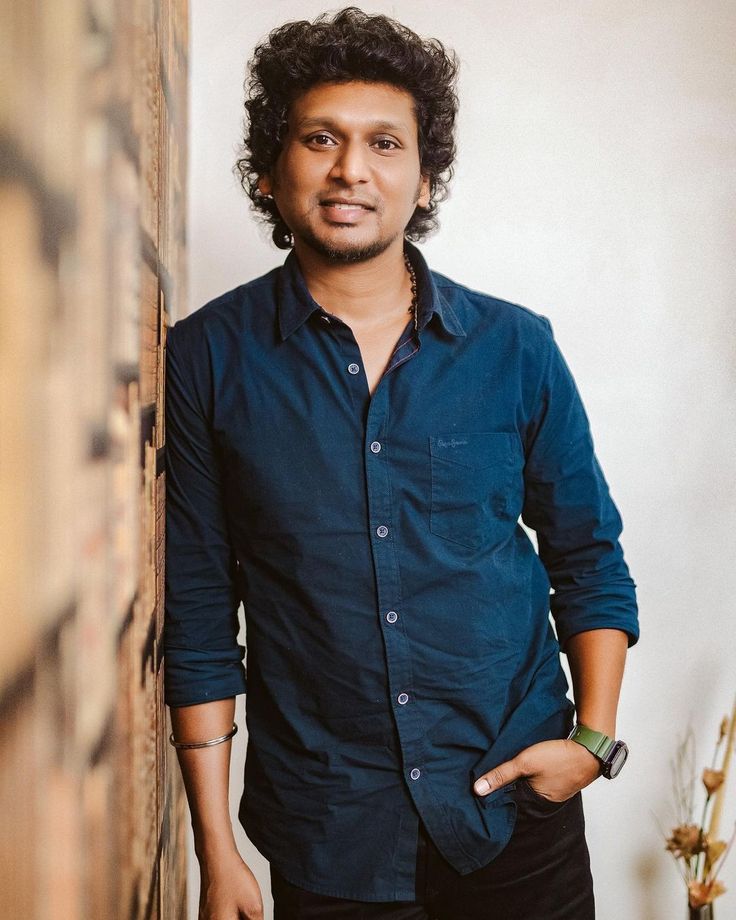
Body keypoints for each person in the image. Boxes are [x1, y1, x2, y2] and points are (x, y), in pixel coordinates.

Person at [163, 8, 639, 919]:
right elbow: (195, 611)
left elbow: (589, 557)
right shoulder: (207, 359)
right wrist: (215, 851)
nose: (351, 168)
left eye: (386, 143)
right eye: (319, 139)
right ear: (271, 172)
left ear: (424, 181)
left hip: (515, 810)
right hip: (326, 829)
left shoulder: (516, 348)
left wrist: (592, 742)